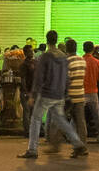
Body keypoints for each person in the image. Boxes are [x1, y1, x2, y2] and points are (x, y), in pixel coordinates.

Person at [17, 31, 88, 159]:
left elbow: (39, 77)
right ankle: (77, 143)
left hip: (47, 93)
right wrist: (65, 92)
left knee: (35, 119)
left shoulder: (46, 56)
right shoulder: (63, 56)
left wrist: (33, 94)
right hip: (59, 94)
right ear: (56, 40)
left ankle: (32, 149)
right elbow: (67, 77)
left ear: (47, 40)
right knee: (61, 120)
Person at [79, 39, 99, 143]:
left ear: (83, 49)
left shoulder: (80, 61)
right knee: (97, 116)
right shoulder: (97, 62)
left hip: (81, 92)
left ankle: (71, 135)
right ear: (92, 50)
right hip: (93, 92)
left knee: (77, 115)